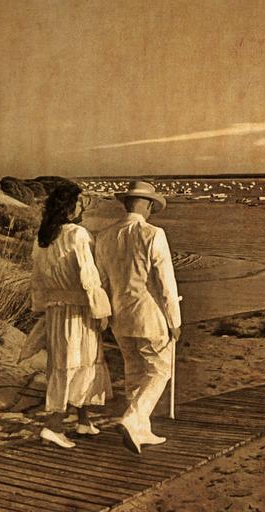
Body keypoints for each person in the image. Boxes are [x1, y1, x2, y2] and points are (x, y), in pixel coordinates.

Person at [95, 180, 181, 454]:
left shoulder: (104, 236)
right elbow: (166, 283)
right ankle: (133, 418)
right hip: (149, 315)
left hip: (120, 316)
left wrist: (105, 315)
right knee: (159, 370)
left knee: (134, 372)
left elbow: (102, 282)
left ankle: (141, 430)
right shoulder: (153, 234)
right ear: (146, 205)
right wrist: (174, 321)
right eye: (151, 205)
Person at [29, 182, 113, 448]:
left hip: (56, 311)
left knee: (73, 363)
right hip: (78, 311)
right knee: (75, 364)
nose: (82, 208)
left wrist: (42, 307)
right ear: (68, 208)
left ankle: (83, 420)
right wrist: (101, 309)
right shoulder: (77, 234)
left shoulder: (44, 237)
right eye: (78, 203)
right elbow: (89, 277)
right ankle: (53, 426)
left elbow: (37, 279)